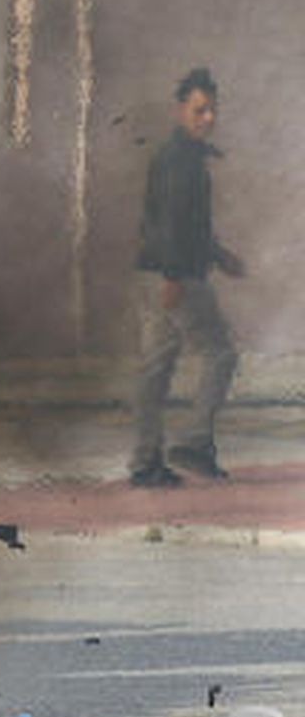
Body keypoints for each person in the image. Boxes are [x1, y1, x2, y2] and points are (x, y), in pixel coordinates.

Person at [129, 67, 244, 487]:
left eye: (212, 111)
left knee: (155, 369)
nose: (208, 119)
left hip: (155, 272)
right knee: (221, 354)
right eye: (199, 111)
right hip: (173, 276)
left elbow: (184, 224)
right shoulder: (181, 160)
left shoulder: (179, 156)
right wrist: (176, 275)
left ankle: (144, 464)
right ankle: (194, 444)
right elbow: (172, 225)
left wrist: (220, 254)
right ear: (181, 111)